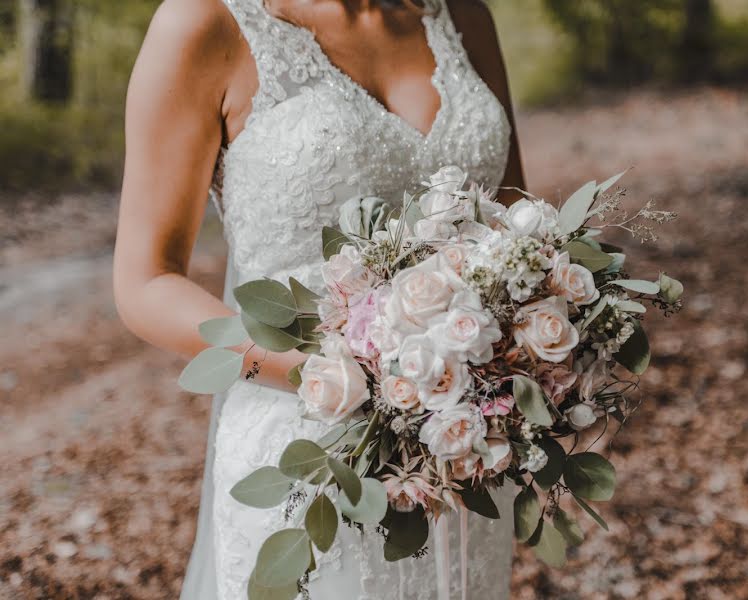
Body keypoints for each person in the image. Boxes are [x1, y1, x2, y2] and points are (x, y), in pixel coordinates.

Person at [113, 0, 525, 597]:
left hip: (462, 445)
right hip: (306, 453)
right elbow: (145, 283)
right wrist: (332, 375)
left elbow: (516, 231)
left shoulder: (463, 16)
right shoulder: (204, 23)